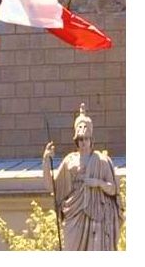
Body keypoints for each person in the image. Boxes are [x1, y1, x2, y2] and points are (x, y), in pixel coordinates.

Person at [42, 104, 123, 250]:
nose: (83, 142)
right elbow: (52, 187)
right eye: (80, 139)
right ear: (76, 140)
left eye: (86, 139)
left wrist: (97, 183)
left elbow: (113, 190)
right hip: (74, 214)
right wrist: (46, 161)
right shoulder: (69, 161)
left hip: (97, 217)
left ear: (91, 140)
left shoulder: (102, 161)